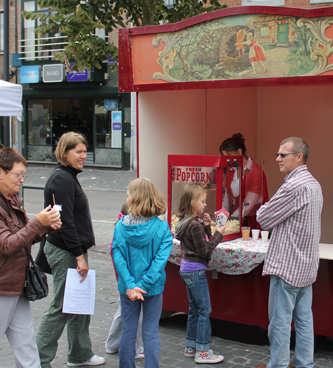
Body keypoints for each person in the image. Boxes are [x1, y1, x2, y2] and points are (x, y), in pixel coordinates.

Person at [0, 148, 62, 368]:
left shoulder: (12, 200)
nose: (21, 180)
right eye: (18, 175)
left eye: (23, 175)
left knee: (27, 347)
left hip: (16, 285)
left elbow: (22, 239)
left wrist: (45, 228)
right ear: (0, 172)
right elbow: (7, 245)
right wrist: (38, 223)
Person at [36, 132, 105, 367]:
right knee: (62, 305)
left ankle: (80, 354)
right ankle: (38, 359)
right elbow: (64, 221)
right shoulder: (61, 179)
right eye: (78, 151)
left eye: (85, 151)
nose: (83, 156)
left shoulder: (68, 176)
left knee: (79, 303)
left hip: (73, 250)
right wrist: (79, 256)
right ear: (65, 152)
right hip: (66, 251)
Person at [255, 137, 323, 368]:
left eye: (282, 155)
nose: (277, 159)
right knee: (304, 320)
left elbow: (263, 218)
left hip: (287, 266)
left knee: (280, 322)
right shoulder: (313, 183)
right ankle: (305, 363)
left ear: (299, 156)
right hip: (306, 265)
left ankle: (279, 365)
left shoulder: (294, 185)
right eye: (278, 154)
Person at [112, 178, 173, 368]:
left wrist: (131, 285)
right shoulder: (163, 228)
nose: (127, 197)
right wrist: (143, 285)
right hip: (152, 289)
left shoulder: (121, 226)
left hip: (128, 290)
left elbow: (117, 255)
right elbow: (160, 263)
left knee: (128, 331)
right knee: (150, 332)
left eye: (128, 194)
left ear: (135, 199)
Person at [174, 184, 226, 364]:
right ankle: (203, 351)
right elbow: (205, 251)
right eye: (202, 201)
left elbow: (199, 243)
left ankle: (191, 346)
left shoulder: (185, 222)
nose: (205, 205)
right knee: (204, 309)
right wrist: (219, 234)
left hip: (186, 269)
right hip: (196, 271)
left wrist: (206, 226)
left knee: (194, 309)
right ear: (192, 202)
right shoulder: (193, 224)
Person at [105, 203, 145, 359]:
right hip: (130, 280)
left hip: (124, 279)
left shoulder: (120, 228)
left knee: (123, 313)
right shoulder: (128, 230)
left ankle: (112, 343)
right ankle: (132, 348)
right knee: (133, 315)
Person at [219, 133, 269, 229]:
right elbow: (227, 199)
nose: (228, 159)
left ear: (239, 152)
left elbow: (249, 203)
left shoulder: (255, 170)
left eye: (229, 155)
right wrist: (221, 217)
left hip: (252, 218)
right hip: (236, 218)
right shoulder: (230, 170)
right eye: (225, 156)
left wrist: (231, 220)